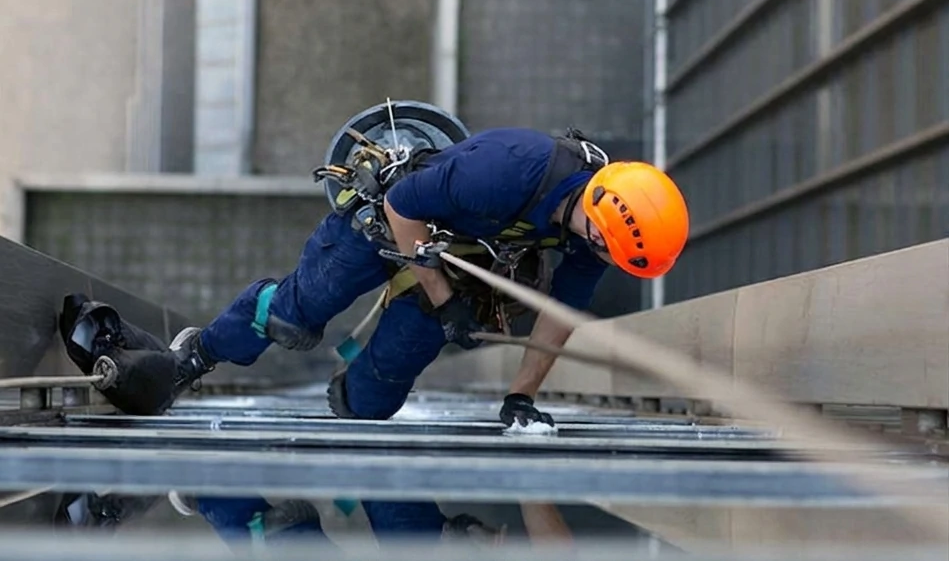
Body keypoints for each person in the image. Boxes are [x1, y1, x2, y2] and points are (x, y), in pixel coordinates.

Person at [161, 110, 690, 428]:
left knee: (370, 406)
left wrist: (521, 397)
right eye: (609, 253)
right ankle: (200, 350)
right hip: (389, 223)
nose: (603, 263)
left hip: (456, 260)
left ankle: (353, 390)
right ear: (601, 227)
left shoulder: (587, 234)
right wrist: (444, 300)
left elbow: (559, 317)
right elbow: (403, 207)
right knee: (295, 320)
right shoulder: (507, 168)